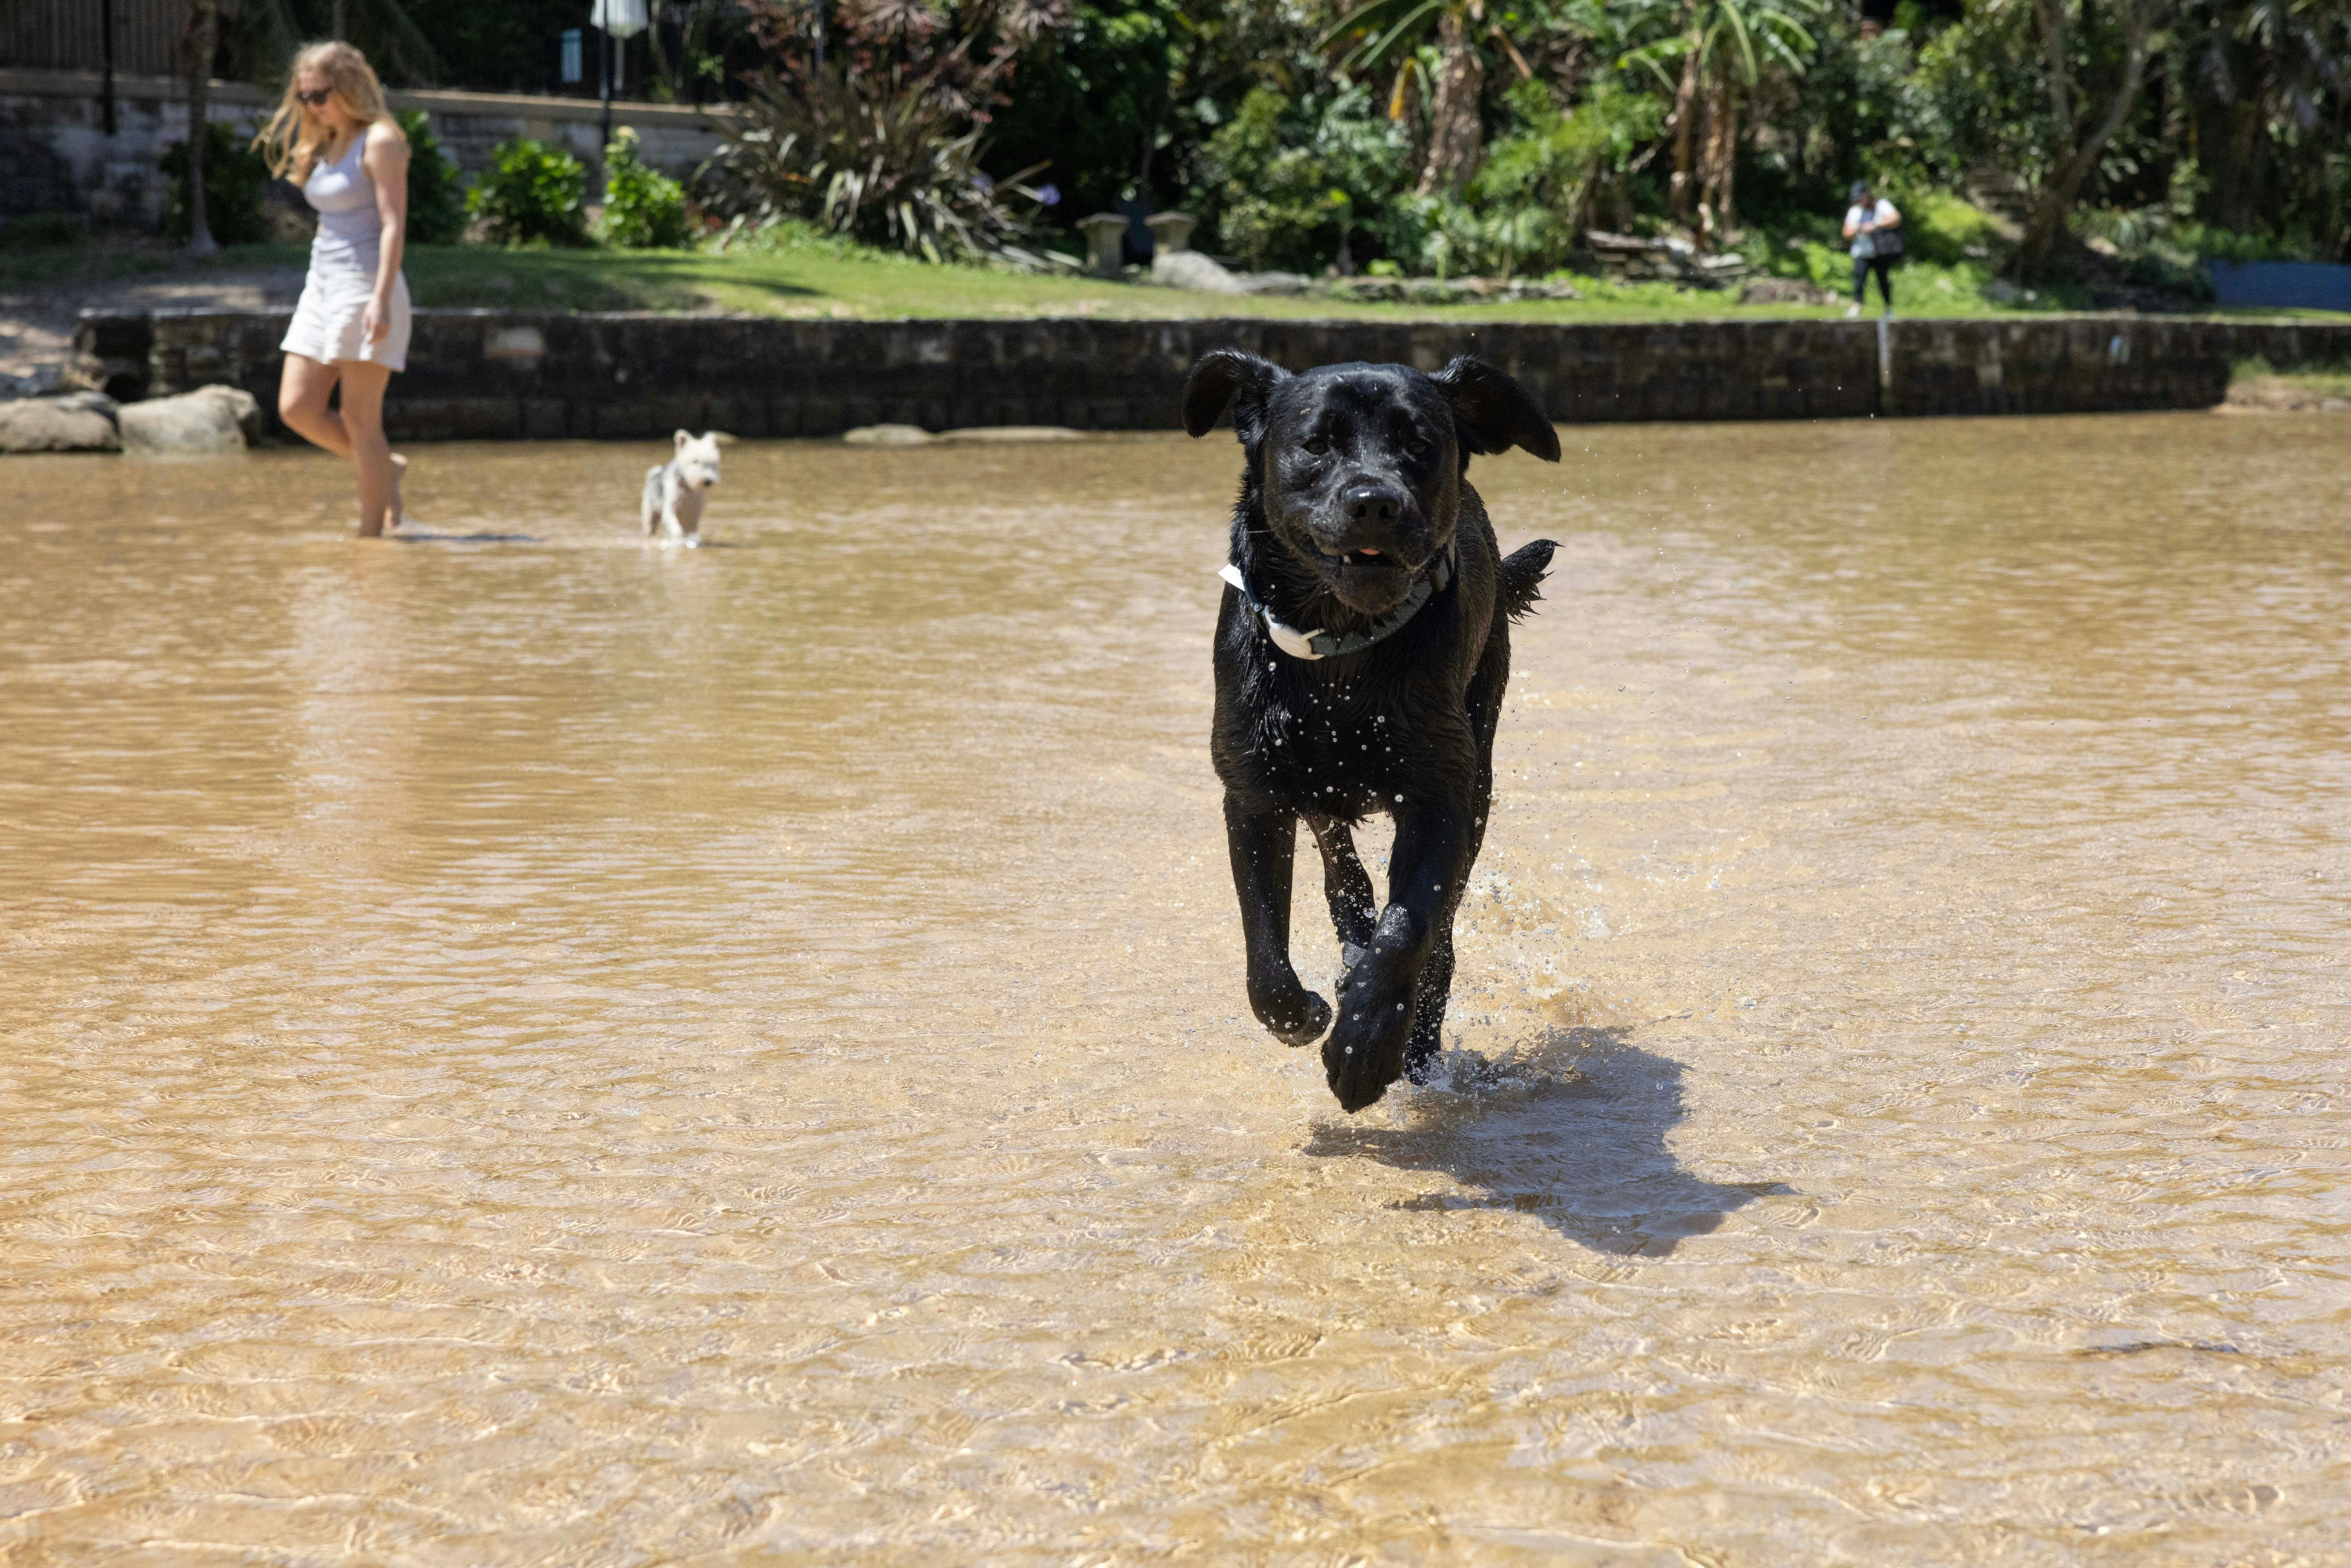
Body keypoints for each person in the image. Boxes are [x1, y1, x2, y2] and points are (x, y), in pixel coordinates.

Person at [254, 41, 412, 536]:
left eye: (321, 94)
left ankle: (371, 542)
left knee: (359, 418)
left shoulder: (381, 141)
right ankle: (388, 469)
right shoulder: (327, 140)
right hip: (320, 287)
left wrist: (381, 299)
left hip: (364, 285)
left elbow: (393, 224)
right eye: (304, 97)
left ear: (349, 87)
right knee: (296, 408)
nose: (311, 106)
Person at [1843, 180, 1902, 320]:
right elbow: (1846, 233)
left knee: (1883, 281)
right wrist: (1858, 229)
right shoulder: (1855, 211)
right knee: (1859, 280)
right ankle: (1856, 307)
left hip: (1880, 252)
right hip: (1862, 252)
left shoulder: (1881, 206)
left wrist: (1875, 225)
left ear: (1867, 195)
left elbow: (1896, 219)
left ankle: (1888, 308)